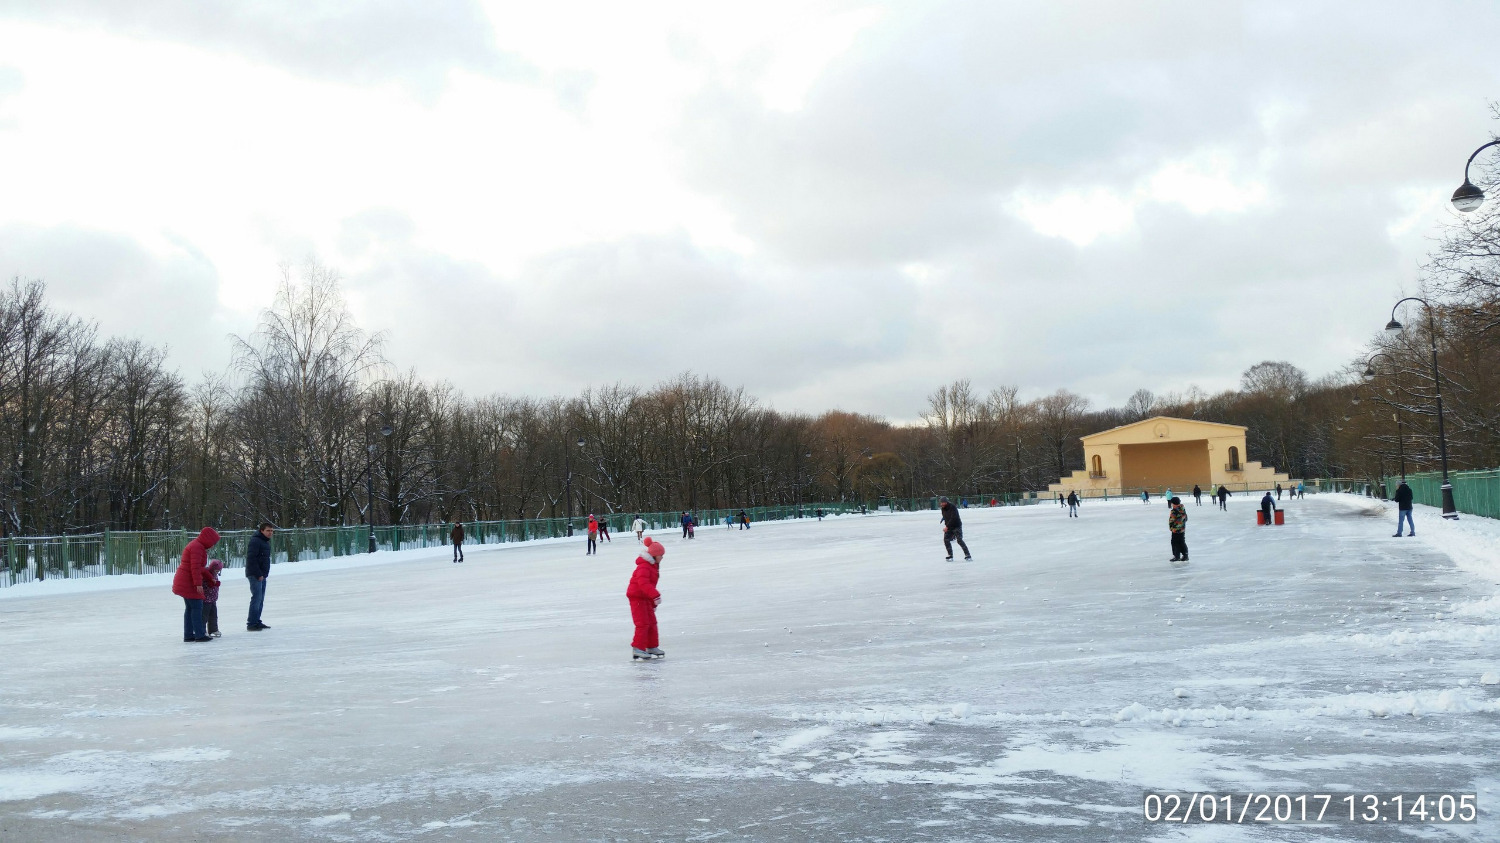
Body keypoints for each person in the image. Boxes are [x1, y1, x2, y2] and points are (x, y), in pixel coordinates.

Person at [173, 527, 220, 642]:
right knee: (197, 608)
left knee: (190, 609)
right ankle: (199, 634)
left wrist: (210, 578)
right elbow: (195, 568)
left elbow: (200, 568)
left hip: (186, 580)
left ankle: (189, 635)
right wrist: (198, 584)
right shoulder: (197, 547)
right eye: (213, 542)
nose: (213, 545)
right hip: (188, 582)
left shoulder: (197, 545)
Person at [626, 540, 665, 660]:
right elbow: (643, 584)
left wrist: (652, 600)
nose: (662, 558)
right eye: (660, 555)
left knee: (652, 623)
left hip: (645, 597)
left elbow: (649, 585)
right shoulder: (644, 567)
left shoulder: (652, 565)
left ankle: (651, 646)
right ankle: (638, 648)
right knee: (642, 623)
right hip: (637, 597)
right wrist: (655, 595)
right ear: (654, 555)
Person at [246, 522, 273, 631]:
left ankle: (257, 620)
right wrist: (258, 574)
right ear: (262, 530)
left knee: (260, 599)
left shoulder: (264, 542)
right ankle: (251, 623)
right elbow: (251, 559)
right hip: (255, 574)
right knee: (256, 598)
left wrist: (264, 574)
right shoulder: (256, 541)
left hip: (262, 575)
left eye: (271, 531)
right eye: (268, 530)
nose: (270, 533)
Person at [939, 496, 971, 561]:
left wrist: (947, 527)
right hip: (949, 526)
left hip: (956, 525)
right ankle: (950, 555)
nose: (941, 504)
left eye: (942, 503)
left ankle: (968, 555)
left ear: (946, 502)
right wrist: (943, 518)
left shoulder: (952, 507)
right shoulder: (943, 508)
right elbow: (945, 515)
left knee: (959, 540)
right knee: (946, 540)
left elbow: (953, 518)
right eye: (941, 503)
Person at [203, 559, 224, 638]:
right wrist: (211, 584)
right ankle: (202, 630)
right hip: (206, 599)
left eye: (219, 571)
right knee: (204, 616)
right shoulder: (207, 574)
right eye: (216, 570)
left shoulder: (215, 575)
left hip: (213, 599)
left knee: (213, 615)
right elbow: (204, 585)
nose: (217, 572)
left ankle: (213, 629)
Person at [1168, 497, 1188, 561]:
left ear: (1174, 504)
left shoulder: (1174, 511)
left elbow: (1172, 520)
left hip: (1176, 530)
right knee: (1182, 542)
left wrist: (1171, 527)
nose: (1172, 505)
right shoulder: (1182, 509)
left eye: (1172, 504)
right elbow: (1186, 518)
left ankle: (1176, 556)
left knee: (1175, 543)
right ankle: (1185, 555)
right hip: (1182, 529)